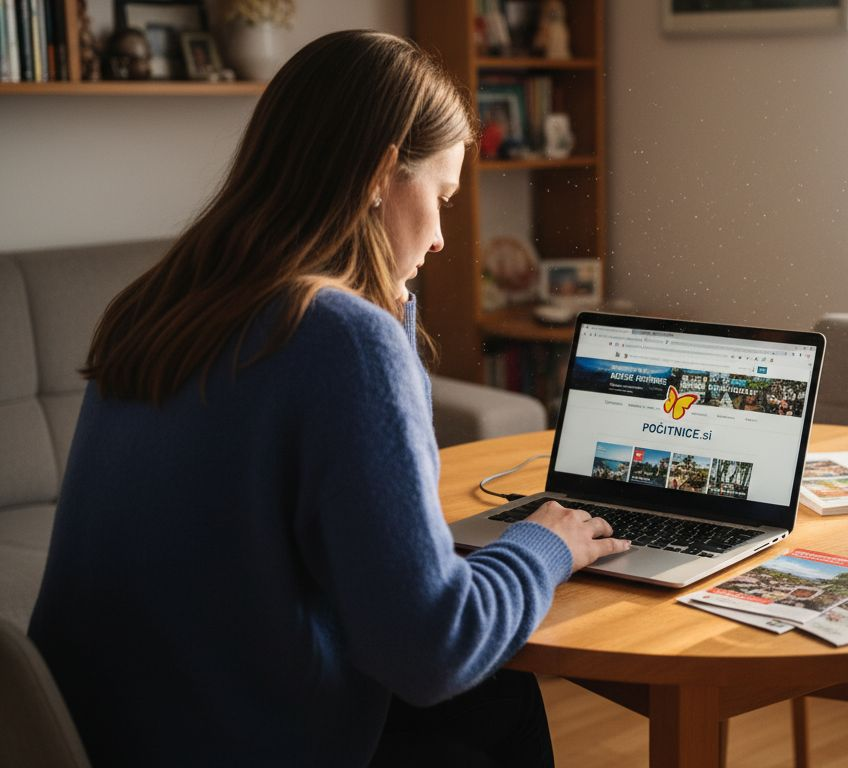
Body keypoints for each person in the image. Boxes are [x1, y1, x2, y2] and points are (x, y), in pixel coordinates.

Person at [27, 30, 628, 768]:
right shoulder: (337, 336)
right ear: (380, 173)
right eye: (441, 197)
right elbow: (435, 648)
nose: (442, 238)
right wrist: (546, 543)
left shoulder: (154, 305)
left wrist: (387, 305)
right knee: (495, 698)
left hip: (97, 737)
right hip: (230, 745)